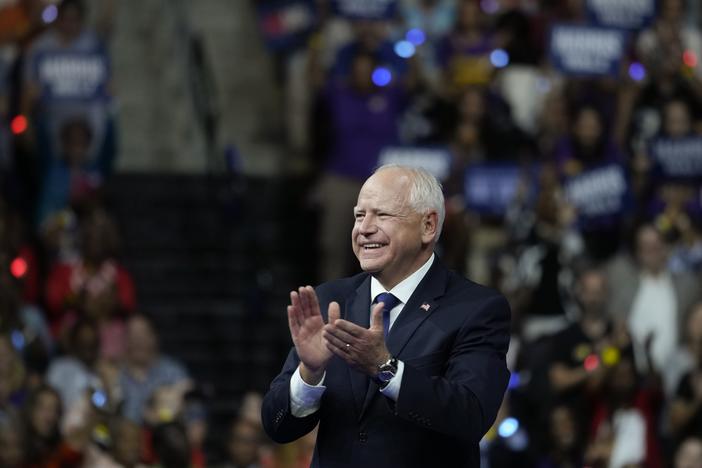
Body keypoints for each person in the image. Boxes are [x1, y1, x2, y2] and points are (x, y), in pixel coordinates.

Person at [261, 165, 511, 467]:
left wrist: (386, 368)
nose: (363, 228)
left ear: (428, 226)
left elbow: (471, 416)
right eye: (358, 215)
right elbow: (278, 427)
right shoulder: (329, 301)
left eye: (382, 215)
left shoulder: (477, 309)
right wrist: (309, 374)